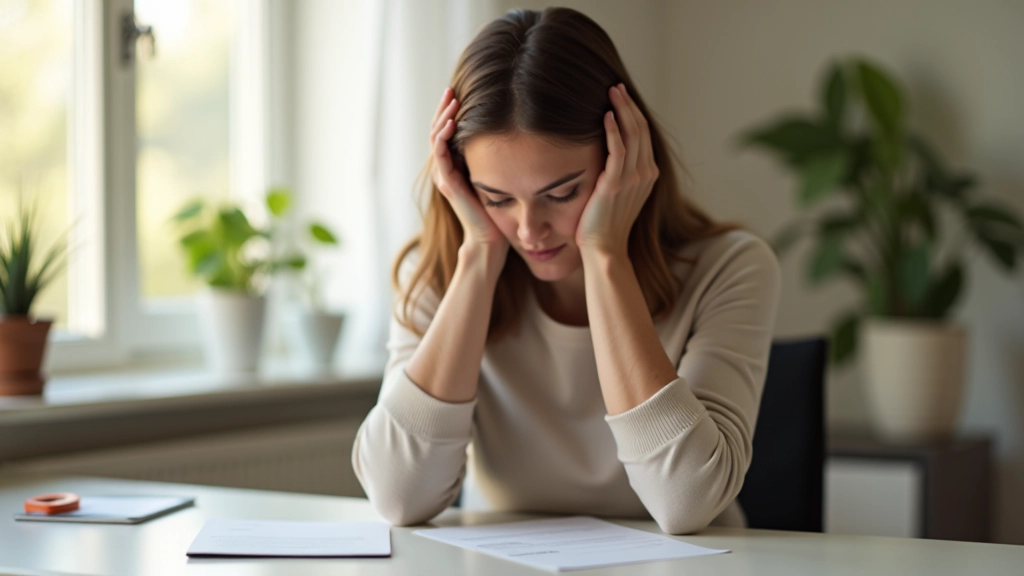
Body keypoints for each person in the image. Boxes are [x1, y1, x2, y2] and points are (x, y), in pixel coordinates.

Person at [352, 6, 780, 535]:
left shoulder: (731, 268)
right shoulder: (441, 272)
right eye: (497, 198)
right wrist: (479, 256)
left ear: (625, 156)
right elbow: (397, 497)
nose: (530, 229)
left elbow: (686, 501)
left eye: (562, 193)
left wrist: (605, 255)